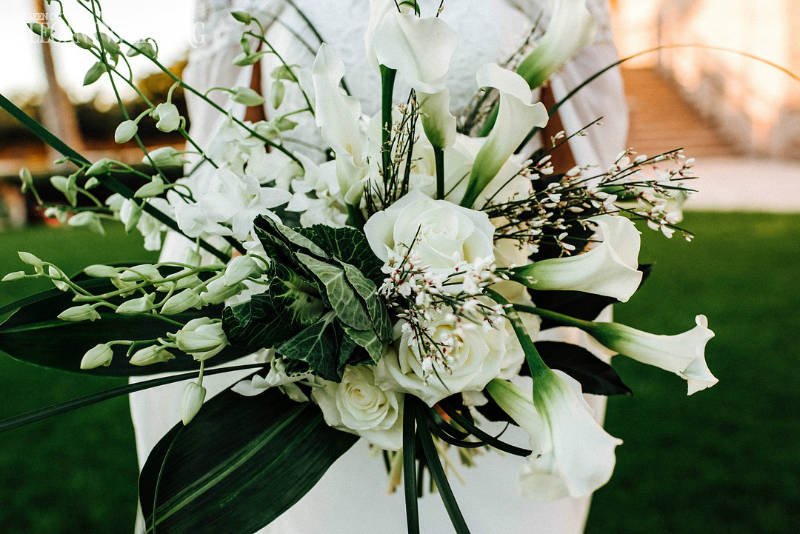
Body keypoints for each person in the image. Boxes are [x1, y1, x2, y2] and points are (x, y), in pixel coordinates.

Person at [130, 1, 628, 532]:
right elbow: (227, 153)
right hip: (305, 377)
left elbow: (579, 176)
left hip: (502, 338)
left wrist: (491, 321)